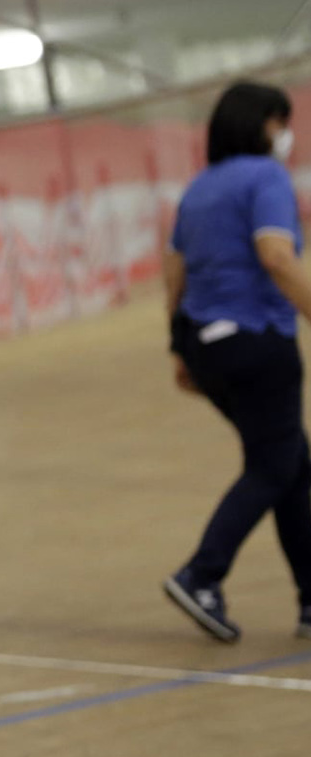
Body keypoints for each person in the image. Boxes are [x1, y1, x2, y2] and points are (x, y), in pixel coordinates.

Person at [163, 80, 311, 642]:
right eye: (279, 122)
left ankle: (310, 601)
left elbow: (174, 270)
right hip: (257, 340)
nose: (284, 135)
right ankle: (201, 574)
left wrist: (178, 347)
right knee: (275, 466)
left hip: (207, 344)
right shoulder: (266, 178)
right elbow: (276, 255)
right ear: (260, 125)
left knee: (291, 463)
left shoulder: (198, 189)